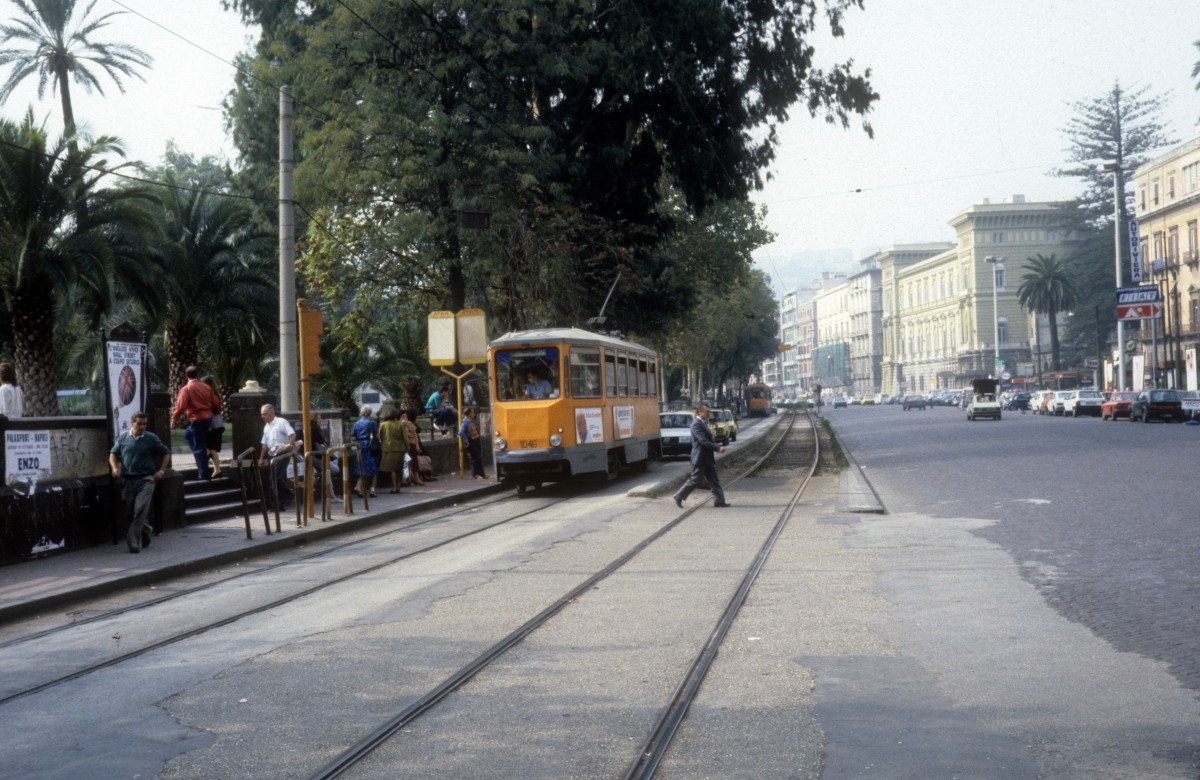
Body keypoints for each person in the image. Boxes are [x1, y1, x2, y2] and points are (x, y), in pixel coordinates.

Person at [109, 412, 171, 553]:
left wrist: (161, 471)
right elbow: (113, 453)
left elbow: (166, 452)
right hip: (128, 481)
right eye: (139, 424)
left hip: (146, 480)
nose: (142, 426)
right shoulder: (124, 438)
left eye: (145, 424)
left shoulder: (151, 438)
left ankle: (133, 541)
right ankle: (146, 530)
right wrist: (114, 468)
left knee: (140, 509)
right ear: (132, 423)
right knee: (131, 513)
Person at [671, 403, 729, 508]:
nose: (708, 414)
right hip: (700, 458)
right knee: (695, 480)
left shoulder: (703, 423)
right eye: (707, 412)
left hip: (708, 458)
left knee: (714, 480)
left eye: (709, 412)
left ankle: (719, 501)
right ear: (700, 412)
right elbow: (703, 440)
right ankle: (679, 496)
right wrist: (717, 448)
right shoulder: (696, 424)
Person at [171, 366, 221, 480]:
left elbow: (180, 407)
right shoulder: (206, 387)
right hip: (207, 418)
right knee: (187, 435)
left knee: (199, 447)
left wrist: (174, 420)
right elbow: (216, 402)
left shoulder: (186, 389)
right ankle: (203, 457)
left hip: (197, 419)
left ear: (186, 375)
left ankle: (203, 474)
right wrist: (218, 411)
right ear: (197, 374)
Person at [259, 404, 296, 510]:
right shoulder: (266, 427)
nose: (263, 417)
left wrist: (288, 445)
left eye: (265, 414)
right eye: (261, 415)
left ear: (272, 412)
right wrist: (261, 458)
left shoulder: (281, 422)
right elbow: (264, 444)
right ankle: (278, 505)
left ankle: (289, 494)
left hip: (282, 453)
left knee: (275, 477)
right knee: (274, 479)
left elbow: (292, 434)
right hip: (272, 454)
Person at [351, 405, 380, 498]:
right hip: (370, 447)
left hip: (360, 447)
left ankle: (358, 487)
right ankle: (372, 489)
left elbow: (353, 438)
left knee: (361, 467)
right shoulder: (372, 423)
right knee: (373, 468)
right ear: (370, 413)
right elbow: (378, 436)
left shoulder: (356, 423)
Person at [378, 409, 408, 493]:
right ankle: (397, 486)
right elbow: (405, 438)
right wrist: (407, 446)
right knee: (398, 468)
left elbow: (379, 437)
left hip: (388, 449)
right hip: (400, 448)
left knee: (392, 469)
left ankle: (394, 487)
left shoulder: (383, 425)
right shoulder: (400, 424)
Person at [200, 376, 225, 478]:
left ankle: (217, 469)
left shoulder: (209, 395)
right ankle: (216, 469)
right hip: (218, 424)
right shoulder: (215, 394)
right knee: (211, 448)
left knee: (211, 448)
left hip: (213, 424)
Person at [458, 406, 486, 479]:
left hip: (476, 441)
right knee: (475, 458)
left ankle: (482, 474)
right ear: (470, 414)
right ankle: (475, 474)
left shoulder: (470, 421)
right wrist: (466, 440)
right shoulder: (465, 422)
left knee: (478, 458)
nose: (474, 414)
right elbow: (460, 432)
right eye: (473, 412)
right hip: (472, 442)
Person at [400, 411, 424, 486]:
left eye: (406, 416)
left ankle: (416, 478)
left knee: (414, 461)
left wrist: (417, 445)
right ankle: (408, 479)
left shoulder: (409, 423)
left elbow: (415, 434)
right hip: (403, 445)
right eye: (403, 417)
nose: (405, 418)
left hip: (411, 443)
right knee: (405, 462)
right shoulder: (399, 425)